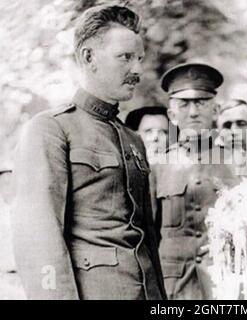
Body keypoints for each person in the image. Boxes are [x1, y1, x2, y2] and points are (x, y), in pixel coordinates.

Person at [11, 5, 166, 300]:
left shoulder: (133, 139)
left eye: (140, 59)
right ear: (88, 57)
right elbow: (38, 240)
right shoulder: (50, 130)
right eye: (125, 58)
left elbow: (146, 241)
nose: (137, 70)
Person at [152, 63, 240, 300]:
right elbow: (148, 236)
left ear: (215, 110)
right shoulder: (157, 166)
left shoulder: (238, 162)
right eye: (184, 103)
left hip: (225, 283)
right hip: (174, 287)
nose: (193, 112)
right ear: (171, 114)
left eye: (201, 102)